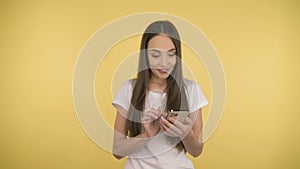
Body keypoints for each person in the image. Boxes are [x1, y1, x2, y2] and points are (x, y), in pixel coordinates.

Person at [112, 20, 208, 169]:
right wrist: (147, 135)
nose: (164, 63)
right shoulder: (129, 89)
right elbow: (117, 150)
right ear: (145, 55)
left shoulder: (191, 89)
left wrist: (185, 133)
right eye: (156, 55)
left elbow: (196, 151)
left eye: (171, 54)